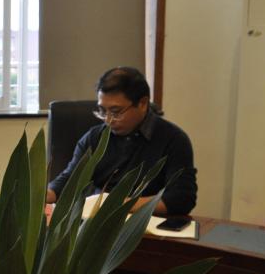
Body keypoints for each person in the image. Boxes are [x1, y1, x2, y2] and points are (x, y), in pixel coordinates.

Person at [46, 67, 197, 216]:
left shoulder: (173, 140)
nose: (108, 119)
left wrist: (116, 203)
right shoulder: (94, 137)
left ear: (143, 103)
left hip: (145, 224)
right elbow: (70, 181)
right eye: (102, 111)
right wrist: (43, 195)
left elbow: (181, 199)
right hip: (95, 222)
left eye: (116, 112)